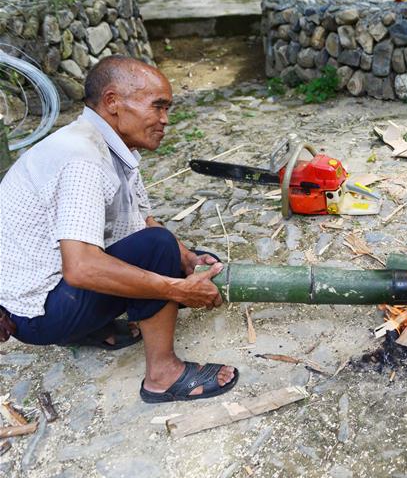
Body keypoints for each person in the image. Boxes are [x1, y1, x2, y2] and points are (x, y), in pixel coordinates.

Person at [0, 56, 238, 403]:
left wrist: (187, 258)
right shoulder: (82, 158)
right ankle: (163, 375)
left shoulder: (107, 143)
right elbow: (81, 267)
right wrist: (176, 289)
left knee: (181, 257)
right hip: (37, 312)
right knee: (158, 250)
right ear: (113, 102)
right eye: (157, 106)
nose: (164, 119)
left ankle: (91, 328)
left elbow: (141, 219)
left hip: (43, 291)